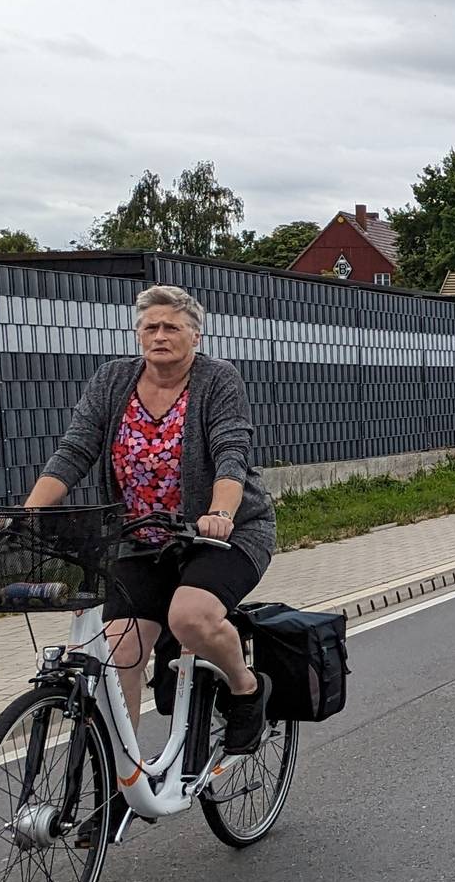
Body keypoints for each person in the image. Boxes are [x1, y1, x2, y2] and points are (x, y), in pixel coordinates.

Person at [19, 284, 275, 755]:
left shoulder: (218, 380)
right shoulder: (113, 380)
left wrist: (219, 513)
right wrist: (30, 514)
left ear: (195, 335)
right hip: (139, 539)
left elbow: (230, 455)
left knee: (190, 618)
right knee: (119, 654)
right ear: (138, 334)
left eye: (172, 327)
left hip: (221, 535)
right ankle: (123, 779)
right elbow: (75, 451)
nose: (160, 335)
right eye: (150, 326)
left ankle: (246, 689)